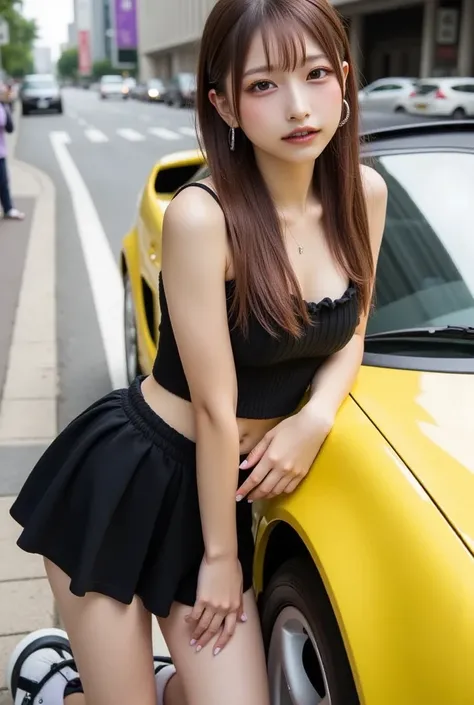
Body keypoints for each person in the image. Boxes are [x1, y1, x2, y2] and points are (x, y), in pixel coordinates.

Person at [7, 0, 388, 704]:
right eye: (264, 85)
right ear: (224, 104)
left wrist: (314, 417)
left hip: (216, 494)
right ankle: (63, 684)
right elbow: (217, 407)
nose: (298, 106)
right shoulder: (201, 215)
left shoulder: (364, 194)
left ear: (344, 79)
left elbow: (355, 325)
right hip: (132, 479)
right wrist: (220, 557)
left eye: (314, 75)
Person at [0, 88, 24, 221]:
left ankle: (8, 208)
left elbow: (10, 128)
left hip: (0, 152)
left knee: (3, 182)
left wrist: (7, 105)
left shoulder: (2, 107)